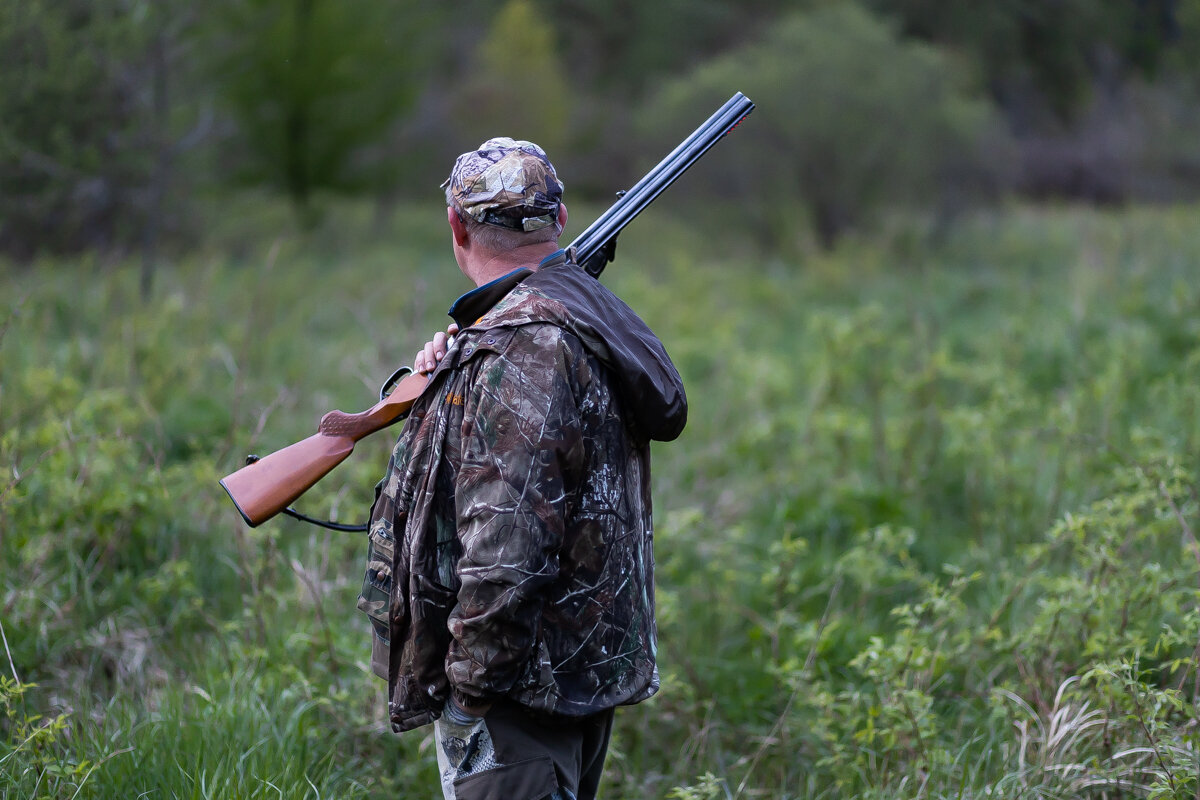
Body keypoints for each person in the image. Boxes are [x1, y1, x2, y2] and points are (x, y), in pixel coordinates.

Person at [357, 137, 687, 800]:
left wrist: (469, 698)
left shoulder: (520, 348)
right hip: (573, 676)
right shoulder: (565, 323)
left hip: (513, 703)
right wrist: (444, 379)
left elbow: (505, 556)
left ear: (456, 225)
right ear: (559, 222)